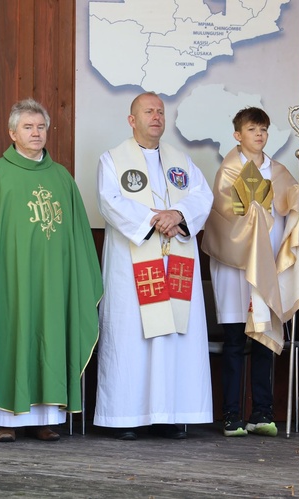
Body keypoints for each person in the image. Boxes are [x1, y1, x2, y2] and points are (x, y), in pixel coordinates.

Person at [0, 98, 102, 443]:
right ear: (12, 133)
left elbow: (77, 239)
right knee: (10, 333)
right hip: (10, 281)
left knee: (50, 334)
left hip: (54, 283)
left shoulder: (61, 177)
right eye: (28, 127)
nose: (36, 133)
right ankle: (3, 419)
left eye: (41, 127)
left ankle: (46, 419)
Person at [94, 91, 214, 440]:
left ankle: (171, 413)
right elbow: (109, 201)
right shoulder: (112, 159)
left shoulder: (182, 161)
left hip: (175, 258)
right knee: (133, 337)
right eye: (148, 111)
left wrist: (177, 215)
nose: (156, 117)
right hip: (135, 261)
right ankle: (126, 416)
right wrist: (154, 220)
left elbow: (202, 196)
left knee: (175, 335)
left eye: (160, 111)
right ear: (132, 120)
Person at [202, 107, 299, 437]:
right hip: (235, 269)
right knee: (236, 339)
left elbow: (293, 205)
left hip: (269, 268)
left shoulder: (279, 171)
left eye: (264, 129)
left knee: (265, 339)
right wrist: (251, 212)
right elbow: (222, 215)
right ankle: (232, 414)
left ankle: (262, 412)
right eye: (253, 129)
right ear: (238, 135)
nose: (260, 135)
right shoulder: (230, 172)